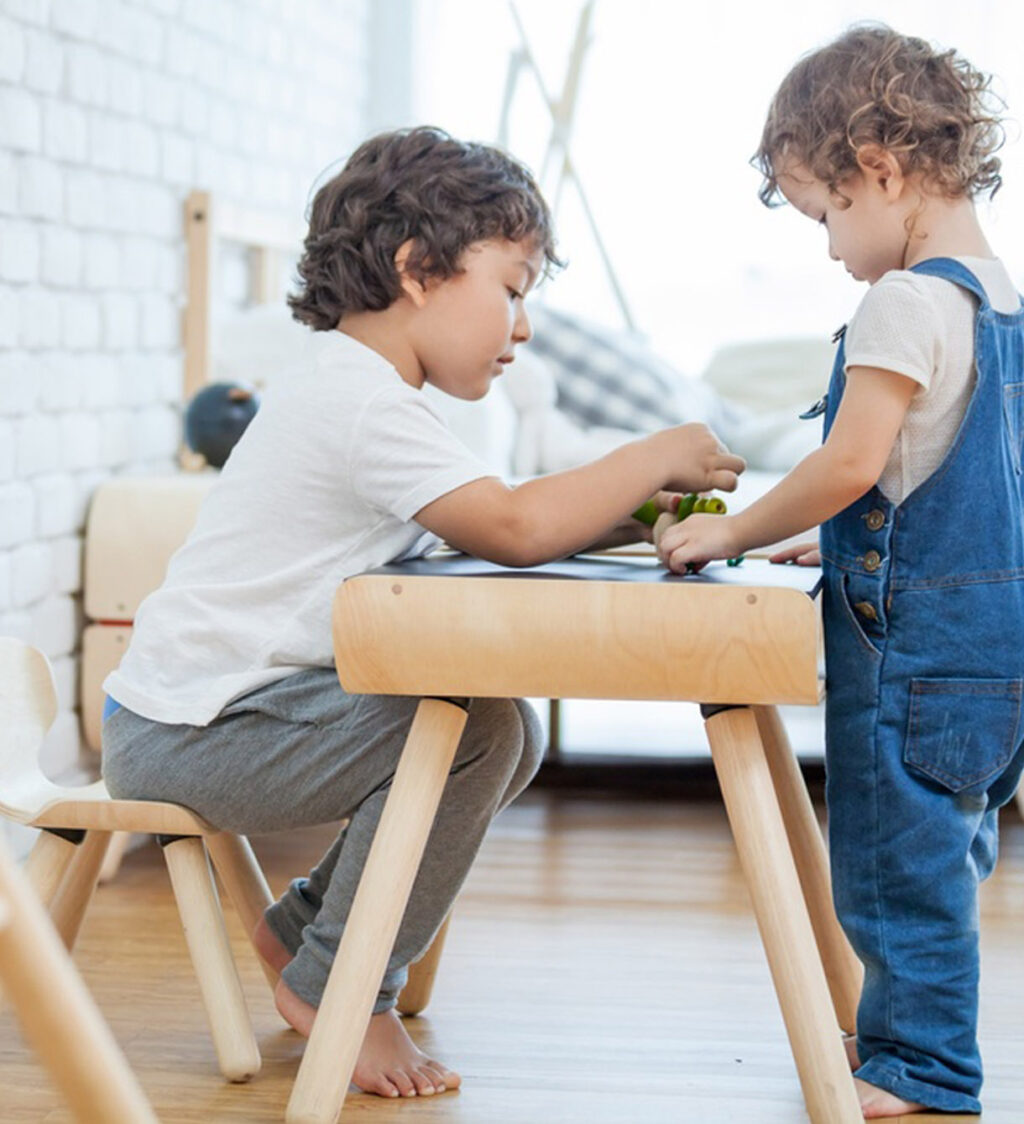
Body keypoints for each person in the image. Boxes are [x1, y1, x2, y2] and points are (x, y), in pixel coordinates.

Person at [101, 126, 744, 1100]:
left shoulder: (361, 394)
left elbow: (490, 519)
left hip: (211, 714)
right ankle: (341, 989)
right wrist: (646, 458)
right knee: (479, 731)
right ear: (416, 268)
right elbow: (515, 524)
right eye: (514, 288)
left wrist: (626, 514)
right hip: (192, 732)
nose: (521, 327)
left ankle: (305, 926)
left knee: (503, 734)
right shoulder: (361, 405)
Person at [657, 25, 1024, 1118]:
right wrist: (856, 528)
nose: (828, 248)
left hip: (913, 653)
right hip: (996, 643)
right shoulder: (999, 301)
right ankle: (910, 1046)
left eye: (826, 216)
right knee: (944, 855)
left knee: (887, 867)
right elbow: (951, 475)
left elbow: (848, 458)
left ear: (880, 169)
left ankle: (921, 1071)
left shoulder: (903, 302)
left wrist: (728, 533)